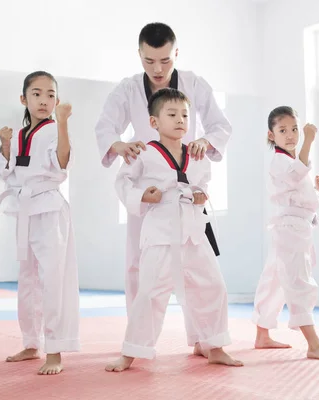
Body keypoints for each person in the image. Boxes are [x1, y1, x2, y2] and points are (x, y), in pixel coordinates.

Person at [95, 22, 232, 356]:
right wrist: (118, 145)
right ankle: (137, 343)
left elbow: (219, 125)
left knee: (199, 272)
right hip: (147, 186)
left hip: (184, 185)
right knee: (140, 269)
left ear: (176, 54)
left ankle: (204, 339)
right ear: (139, 55)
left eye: (165, 61)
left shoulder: (194, 84)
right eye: (149, 61)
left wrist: (204, 139)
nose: (157, 69)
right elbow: (106, 126)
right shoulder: (127, 89)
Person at [106, 88, 243, 372]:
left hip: (193, 228)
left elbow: (202, 184)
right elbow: (123, 183)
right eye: (172, 114)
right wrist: (145, 195)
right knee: (150, 293)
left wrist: (200, 195)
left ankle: (214, 346)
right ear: (154, 122)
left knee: (213, 286)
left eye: (184, 115)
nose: (180, 120)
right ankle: (131, 352)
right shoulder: (142, 152)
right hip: (161, 232)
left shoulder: (197, 152)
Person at [0, 71, 80, 375]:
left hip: (48, 208)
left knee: (52, 279)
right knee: (28, 280)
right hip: (23, 210)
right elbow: (8, 173)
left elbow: (62, 164)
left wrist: (64, 123)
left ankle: (55, 349)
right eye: (36, 93)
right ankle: (32, 341)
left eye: (50, 94)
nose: (44, 100)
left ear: (57, 101)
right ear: (24, 99)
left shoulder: (54, 128)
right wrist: (5, 144)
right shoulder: (19, 135)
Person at [251, 106, 319, 361]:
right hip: (289, 229)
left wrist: (316, 189)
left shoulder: (292, 161)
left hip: (293, 227)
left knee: (274, 280)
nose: (291, 135)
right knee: (298, 281)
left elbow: (302, 195)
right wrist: (310, 142)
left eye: (294, 129)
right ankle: (314, 344)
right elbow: (295, 175)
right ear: (271, 135)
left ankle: (262, 334)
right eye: (283, 130)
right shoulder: (281, 160)